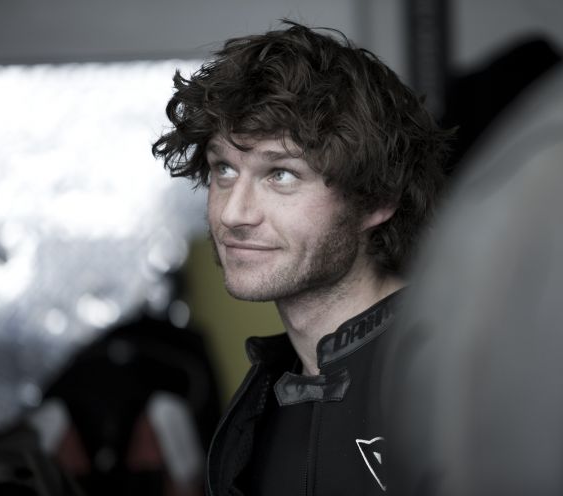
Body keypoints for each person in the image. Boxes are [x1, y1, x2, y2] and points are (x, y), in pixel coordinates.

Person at [152, 20, 451, 496]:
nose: (233, 213)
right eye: (224, 169)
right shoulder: (259, 410)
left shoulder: (459, 377)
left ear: (377, 199)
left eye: (281, 174)